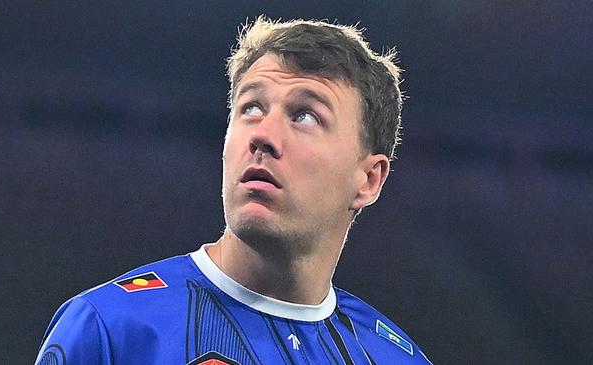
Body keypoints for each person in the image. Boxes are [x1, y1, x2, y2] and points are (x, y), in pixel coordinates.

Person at [35, 16, 433, 365]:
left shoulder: (394, 357)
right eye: (251, 108)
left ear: (369, 179)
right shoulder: (112, 330)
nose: (263, 135)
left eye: (306, 115)